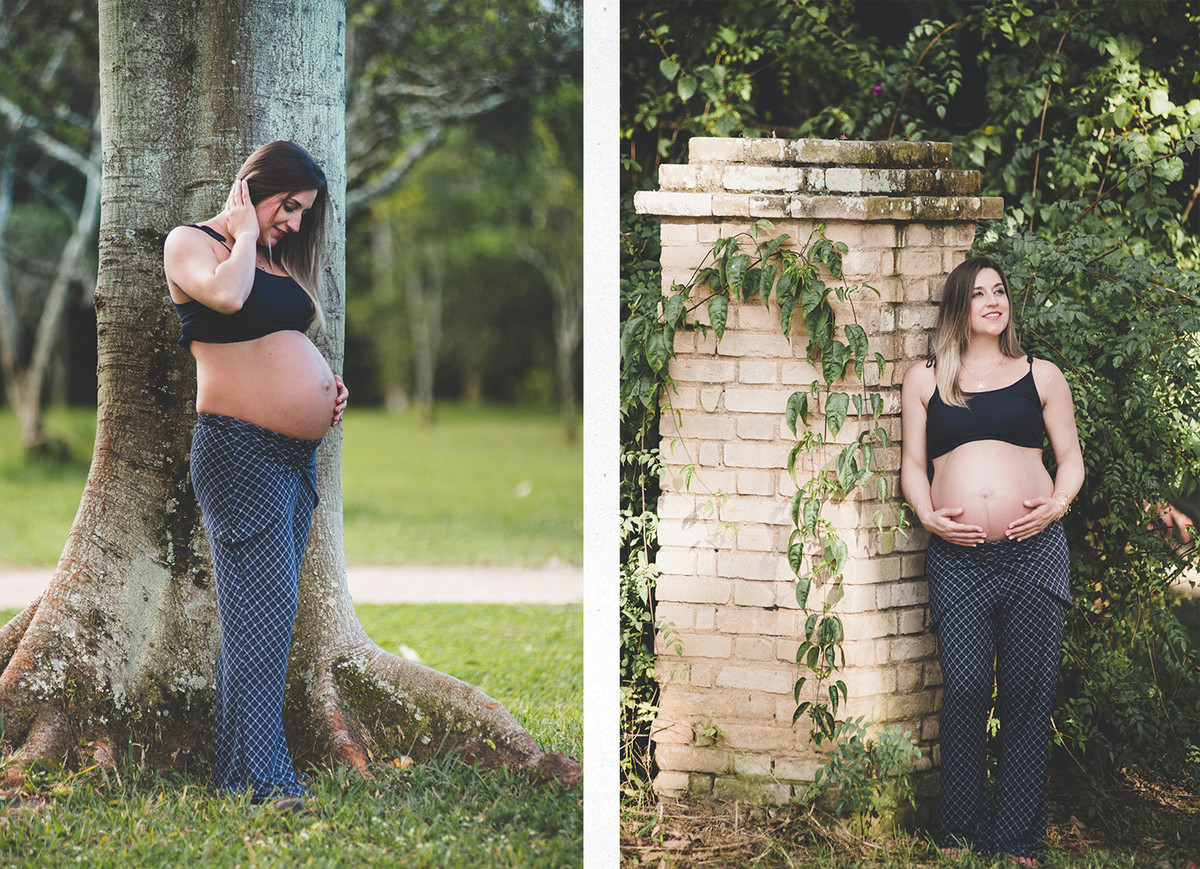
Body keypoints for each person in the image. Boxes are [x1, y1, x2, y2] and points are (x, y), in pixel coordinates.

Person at [163, 140, 349, 814]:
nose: (295, 223)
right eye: (290, 206)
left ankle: (241, 772)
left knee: (264, 619)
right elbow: (227, 296)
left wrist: (325, 389)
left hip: (291, 460)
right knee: (263, 621)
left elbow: (279, 339)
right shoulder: (193, 244)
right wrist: (242, 232)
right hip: (237, 452)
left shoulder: (266, 256)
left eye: (304, 213)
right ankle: (266, 781)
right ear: (254, 185)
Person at [900, 256, 1083, 866]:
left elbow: (1071, 461)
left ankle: (1018, 842)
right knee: (967, 689)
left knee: (1029, 697)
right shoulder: (926, 379)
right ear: (960, 306)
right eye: (978, 293)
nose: (993, 300)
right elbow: (912, 466)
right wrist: (926, 514)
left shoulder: (1042, 376)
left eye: (999, 291)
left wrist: (1056, 505)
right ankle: (958, 834)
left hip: (1034, 554)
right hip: (961, 560)